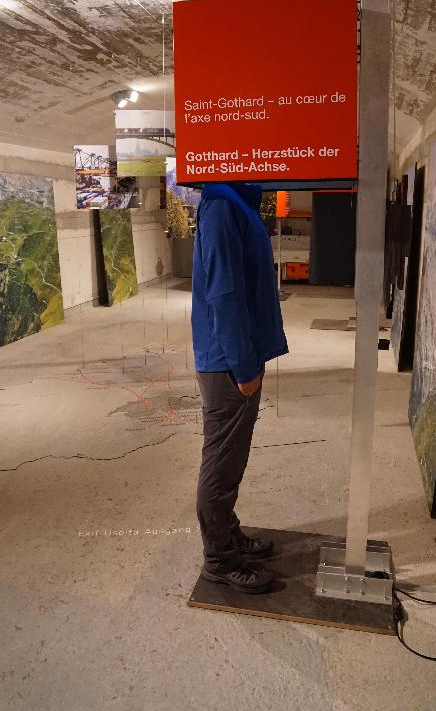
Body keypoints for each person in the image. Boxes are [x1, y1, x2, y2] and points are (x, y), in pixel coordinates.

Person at [191, 182, 288, 593]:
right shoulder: (220, 206)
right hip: (228, 362)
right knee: (221, 466)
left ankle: (228, 535)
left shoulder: (236, 202)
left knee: (232, 462)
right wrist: (244, 366)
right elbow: (224, 294)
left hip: (240, 354)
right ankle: (220, 559)